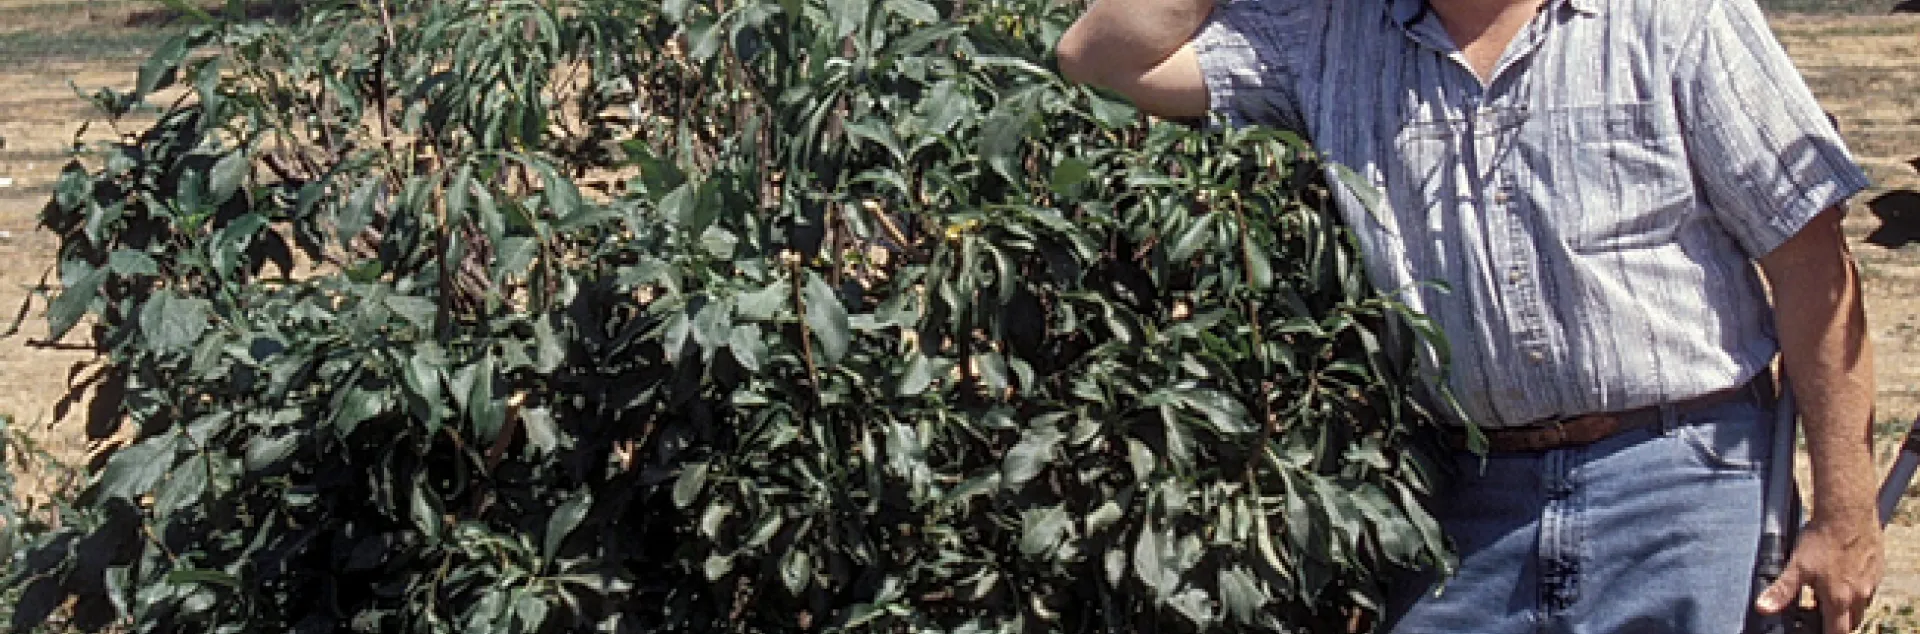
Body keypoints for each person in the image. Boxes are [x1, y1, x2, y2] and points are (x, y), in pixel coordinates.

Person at [1055, 0, 1884, 632]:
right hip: (1470, 498)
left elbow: (1811, 268)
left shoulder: (1671, 16)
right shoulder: (1328, 34)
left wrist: (1844, 514)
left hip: (1679, 480)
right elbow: (1098, 59)